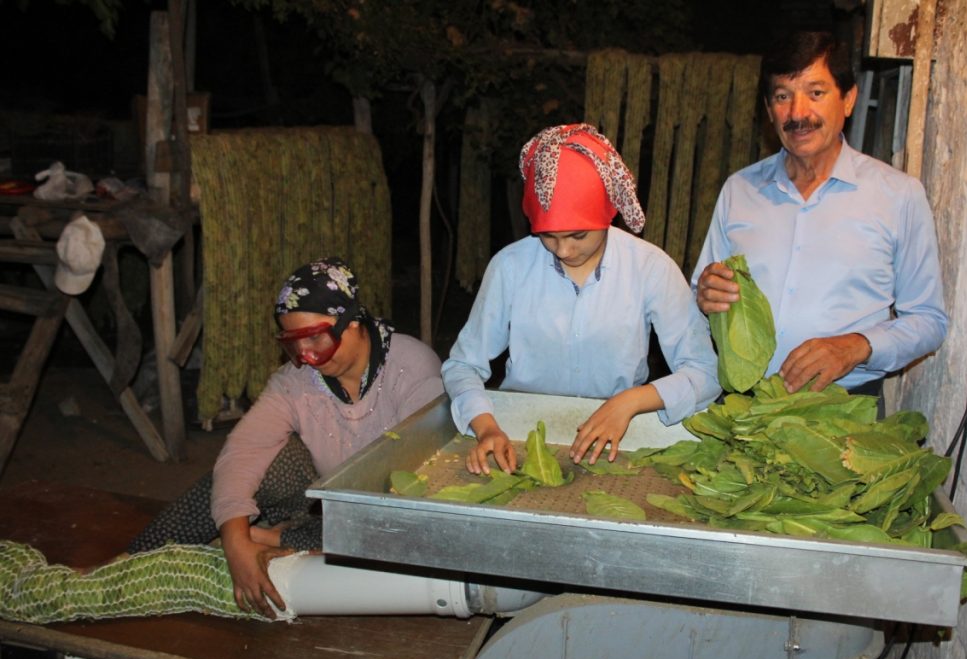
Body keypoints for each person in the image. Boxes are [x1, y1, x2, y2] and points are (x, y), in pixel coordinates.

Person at [128, 257, 444, 619]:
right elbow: (243, 451)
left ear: (353, 322)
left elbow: (420, 489)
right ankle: (134, 559)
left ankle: (271, 539)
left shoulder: (411, 367)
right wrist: (235, 544)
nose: (307, 355)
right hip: (322, 510)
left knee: (402, 541)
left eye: (316, 337)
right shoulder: (297, 382)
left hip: (392, 519)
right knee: (273, 462)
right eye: (295, 344)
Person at [442, 123, 719, 476]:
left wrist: (630, 402)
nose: (564, 250)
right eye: (548, 236)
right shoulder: (510, 267)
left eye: (578, 235)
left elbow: (705, 374)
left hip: (616, 440)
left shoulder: (650, 267)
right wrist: (487, 427)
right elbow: (462, 366)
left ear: (608, 214)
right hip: (521, 441)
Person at [692, 31, 948, 398]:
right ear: (768, 110)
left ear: (848, 100)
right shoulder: (739, 190)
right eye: (782, 96)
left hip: (842, 413)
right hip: (741, 405)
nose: (798, 114)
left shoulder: (898, 196)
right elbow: (698, 297)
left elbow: (929, 320)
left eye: (816, 93)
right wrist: (703, 296)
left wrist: (857, 346)